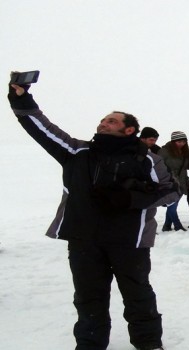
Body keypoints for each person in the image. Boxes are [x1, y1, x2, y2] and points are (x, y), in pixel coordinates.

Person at [8, 83, 178, 350]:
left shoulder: (147, 159)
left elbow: (171, 191)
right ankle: (89, 345)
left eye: (111, 121)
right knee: (88, 297)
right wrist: (21, 98)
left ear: (129, 129)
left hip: (129, 241)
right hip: (84, 238)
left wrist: (131, 199)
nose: (103, 123)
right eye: (102, 120)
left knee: (137, 294)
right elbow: (42, 129)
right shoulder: (77, 152)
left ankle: (149, 344)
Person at [158, 131, 189, 231]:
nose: (182, 144)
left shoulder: (185, 152)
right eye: (179, 141)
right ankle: (177, 225)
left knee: (173, 204)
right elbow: (158, 166)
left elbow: (186, 166)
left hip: (182, 180)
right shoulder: (164, 151)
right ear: (173, 141)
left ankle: (167, 225)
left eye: (184, 141)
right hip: (169, 181)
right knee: (172, 204)